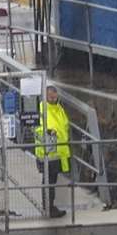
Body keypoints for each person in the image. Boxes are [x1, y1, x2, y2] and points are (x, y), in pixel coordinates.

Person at [33, 83, 71, 219]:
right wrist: (48, 132)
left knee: (51, 180)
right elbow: (37, 128)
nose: (53, 96)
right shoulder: (42, 109)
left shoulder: (58, 108)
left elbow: (65, 125)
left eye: (54, 94)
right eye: (50, 94)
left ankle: (49, 207)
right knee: (48, 180)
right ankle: (48, 208)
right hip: (47, 152)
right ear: (45, 95)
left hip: (57, 151)